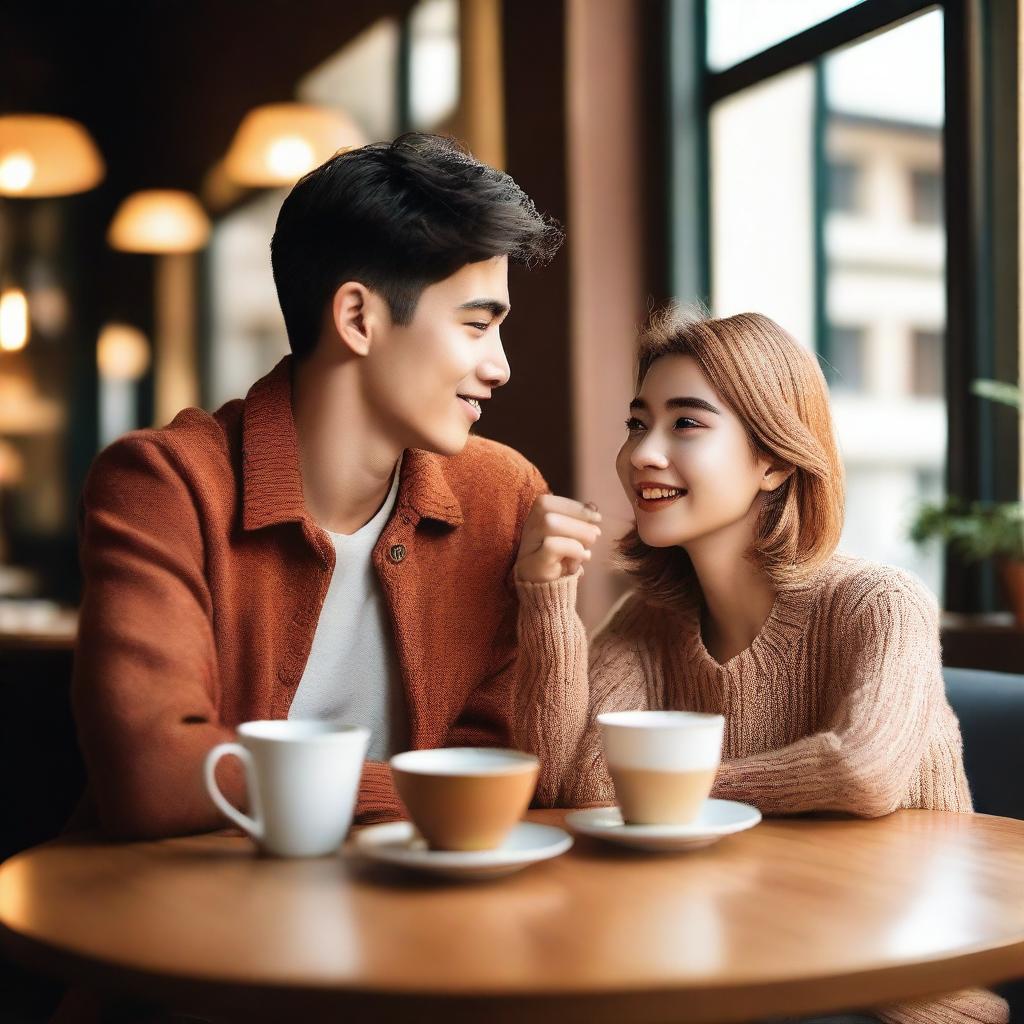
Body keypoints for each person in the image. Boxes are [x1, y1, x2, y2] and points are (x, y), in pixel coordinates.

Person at [510, 307, 1009, 1024]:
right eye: (636, 423)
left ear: (773, 459)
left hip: (891, 994)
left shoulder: (879, 603)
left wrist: (664, 790)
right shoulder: (647, 623)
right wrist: (547, 599)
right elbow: (569, 786)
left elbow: (860, 772)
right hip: (716, 963)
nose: (644, 452)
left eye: (686, 424)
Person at [71, 132, 574, 839]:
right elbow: (157, 776)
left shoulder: (504, 496)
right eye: (475, 326)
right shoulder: (165, 484)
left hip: (412, 916)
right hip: (181, 914)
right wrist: (433, 789)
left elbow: (517, 765)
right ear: (358, 318)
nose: (501, 367)